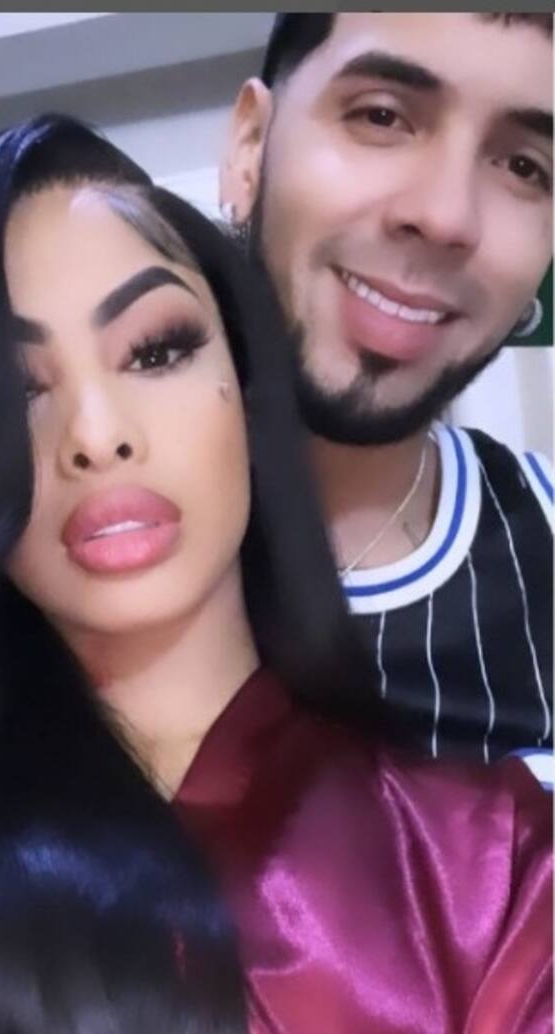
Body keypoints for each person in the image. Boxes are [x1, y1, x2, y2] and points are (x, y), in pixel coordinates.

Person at [0, 115, 549, 1034]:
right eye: (15, 392)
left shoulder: (489, 867)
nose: (97, 436)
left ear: (246, 389)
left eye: (157, 349)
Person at [220, 12, 553, 770]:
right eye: (381, 117)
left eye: (524, 167)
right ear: (250, 148)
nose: (445, 217)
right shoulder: (42, 563)